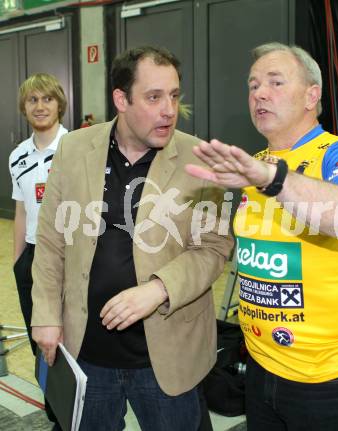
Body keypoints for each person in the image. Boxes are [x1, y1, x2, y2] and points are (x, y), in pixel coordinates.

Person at [30, 46, 233, 431]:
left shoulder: (200, 159)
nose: (168, 110)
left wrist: (159, 289)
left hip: (166, 357)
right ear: (121, 99)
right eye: (154, 97)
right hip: (87, 352)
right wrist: (45, 315)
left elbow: (215, 246)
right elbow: (52, 240)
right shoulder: (74, 149)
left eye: (174, 96)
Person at [186, 42, 338, 431]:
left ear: (312, 95)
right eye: (253, 84)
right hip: (261, 367)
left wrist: (274, 179)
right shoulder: (254, 166)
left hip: (329, 378)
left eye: (276, 82)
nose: (259, 93)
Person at [9, 73, 68, 430]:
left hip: (67, 255)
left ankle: (78, 411)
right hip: (31, 257)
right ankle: (54, 409)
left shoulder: (77, 147)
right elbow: (20, 211)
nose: (40, 106)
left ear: (59, 103)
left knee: (69, 340)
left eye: (47, 98)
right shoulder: (18, 155)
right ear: (24, 108)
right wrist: (18, 263)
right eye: (33, 100)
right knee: (39, 341)